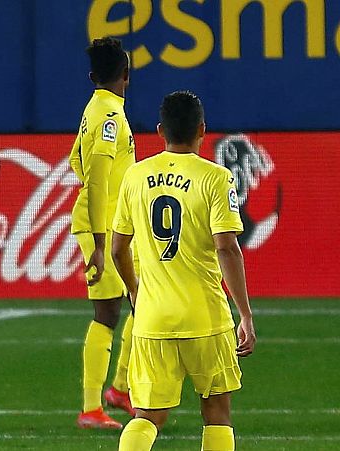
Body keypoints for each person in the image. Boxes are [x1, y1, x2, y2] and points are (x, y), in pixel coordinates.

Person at [112, 91, 256, 451]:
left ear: (161, 130)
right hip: (205, 315)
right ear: (202, 130)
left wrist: (134, 291)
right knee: (217, 414)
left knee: (145, 417)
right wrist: (246, 314)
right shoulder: (216, 178)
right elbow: (227, 247)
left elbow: (117, 248)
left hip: (153, 317)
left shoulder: (135, 176)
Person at [68, 36, 136, 429]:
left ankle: (122, 387)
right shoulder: (109, 118)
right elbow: (94, 178)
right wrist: (98, 244)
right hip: (107, 228)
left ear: (93, 76)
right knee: (108, 312)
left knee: (142, 299)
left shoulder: (95, 109)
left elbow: (74, 158)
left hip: (119, 224)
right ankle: (92, 408)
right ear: (126, 75)